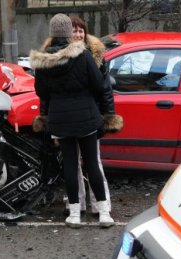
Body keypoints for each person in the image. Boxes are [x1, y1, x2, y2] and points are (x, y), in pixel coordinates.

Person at [30, 13, 112, 228]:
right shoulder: (82, 55)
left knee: (69, 165)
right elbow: (99, 84)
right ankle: (103, 212)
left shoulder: (42, 61)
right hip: (86, 116)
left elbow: (41, 91)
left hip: (60, 119)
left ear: (52, 33)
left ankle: (74, 214)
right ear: (68, 33)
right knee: (92, 163)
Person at [59, 16, 119, 223]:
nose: (77, 34)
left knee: (94, 163)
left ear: (85, 33)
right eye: (73, 31)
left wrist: (107, 116)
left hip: (91, 117)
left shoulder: (96, 55)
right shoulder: (60, 56)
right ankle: (77, 205)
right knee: (73, 164)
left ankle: (101, 206)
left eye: (80, 31)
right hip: (77, 117)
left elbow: (105, 90)